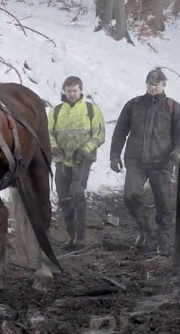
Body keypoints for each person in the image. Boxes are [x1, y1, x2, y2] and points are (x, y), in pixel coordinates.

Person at [110, 68, 180, 256]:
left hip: (161, 163)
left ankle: (164, 240)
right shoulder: (133, 105)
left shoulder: (173, 107)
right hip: (136, 161)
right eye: (150, 84)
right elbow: (120, 131)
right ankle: (145, 229)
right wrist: (114, 155)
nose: (153, 87)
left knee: (164, 205)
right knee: (130, 196)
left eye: (157, 84)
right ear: (146, 84)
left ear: (164, 85)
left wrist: (178, 152)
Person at [48, 76, 105, 250]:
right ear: (64, 91)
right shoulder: (56, 111)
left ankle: (81, 238)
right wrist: (54, 147)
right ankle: (71, 236)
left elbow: (99, 135)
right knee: (64, 198)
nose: (72, 94)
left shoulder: (91, 110)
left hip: (82, 160)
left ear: (81, 91)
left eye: (75, 91)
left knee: (77, 194)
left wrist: (86, 149)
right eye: (69, 91)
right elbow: (48, 133)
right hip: (61, 161)